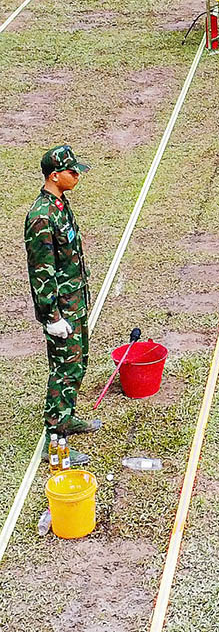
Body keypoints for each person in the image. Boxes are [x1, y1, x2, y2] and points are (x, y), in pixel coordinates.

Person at [24, 146, 101, 466]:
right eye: (72, 171)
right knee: (64, 369)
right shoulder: (41, 217)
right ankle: (54, 437)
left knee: (78, 362)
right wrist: (51, 316)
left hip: (75, 301)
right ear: (54, 176)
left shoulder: (59, 205)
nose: (77, 175)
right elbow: (41, 271)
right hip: (61, 309)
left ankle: (66, 418)